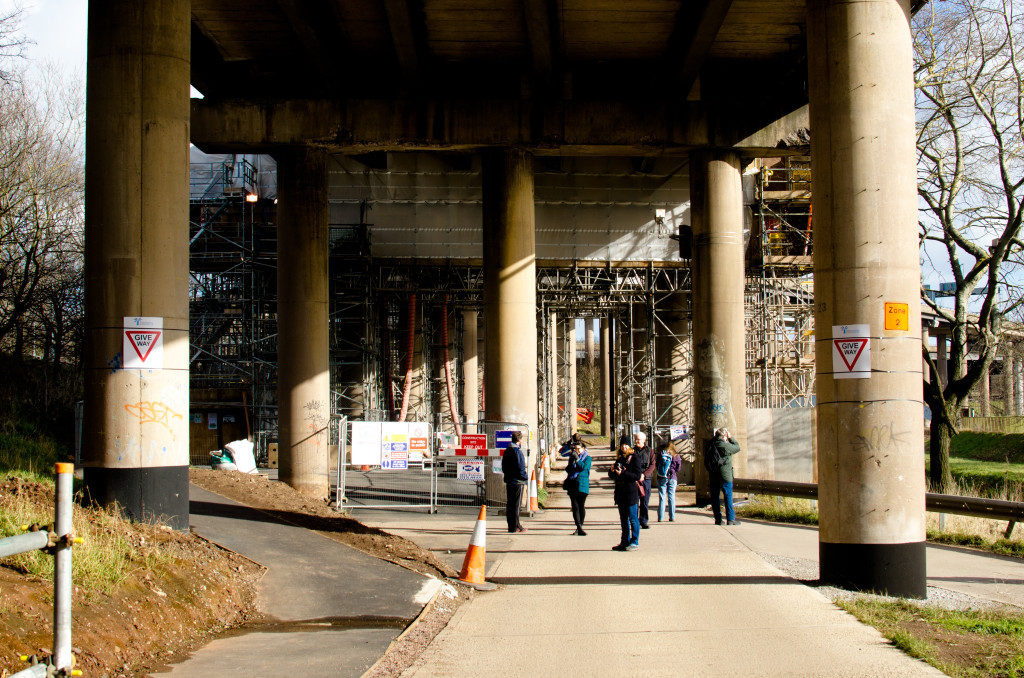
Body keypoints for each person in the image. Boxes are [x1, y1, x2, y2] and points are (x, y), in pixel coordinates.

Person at [609, 435, 642, 551]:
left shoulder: (635, 458)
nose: (624, 447)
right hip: (620, 493)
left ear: (629, 446)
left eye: (626, 445)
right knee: (623, 519)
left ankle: (634, 541)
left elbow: (637, 476)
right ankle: (624, 541)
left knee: (633, 518)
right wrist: (612, 471)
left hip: (630, 492)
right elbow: (612, 476)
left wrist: (623, 473)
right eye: (622, 445)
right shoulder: (620, 459)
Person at [706, 427, 741, 526]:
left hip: (713, 474)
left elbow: (706, 459)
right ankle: (730, 519)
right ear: (724, 436)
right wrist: (731, 438)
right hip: (725, 475)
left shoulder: (710, 444)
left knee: (715, 497)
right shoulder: (725, 446)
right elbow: (737, 447)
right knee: (728, 496)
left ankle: (718, 519)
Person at [559, 437, 591, 535]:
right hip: (572, 483)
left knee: (581, 505)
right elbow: (568, 469)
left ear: (583, 449)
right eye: (575, 449)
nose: (577, 451)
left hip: (582, 484)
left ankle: (580, 526)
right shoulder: (572, 457)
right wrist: (572, 462)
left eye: (579, 449)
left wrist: (577, 460)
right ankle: (578, 526)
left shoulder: (588, 458)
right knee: (575, 506)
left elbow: (584, 468)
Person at [502, 430, 528, 533]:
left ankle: (511, 526)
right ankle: (516, 526)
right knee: (516, 505)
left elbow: (503, 466)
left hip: (509, 480)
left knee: (510, 504)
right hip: (518, 481)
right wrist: (525, 477)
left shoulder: (507, 451)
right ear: (520, 440)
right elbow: (521, 467)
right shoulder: (518, 452)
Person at [656, 441, 682, 522]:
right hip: (672, 477)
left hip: (662, 477)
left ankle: (660, 517)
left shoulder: (661, 454)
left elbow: (657, 464)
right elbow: (678, 468)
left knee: (662, 497)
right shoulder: (676, 456)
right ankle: (672, 516)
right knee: (671, 497)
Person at [633, 431, 654, 528]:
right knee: (635, 501)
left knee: (645, 501)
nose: (637, 441)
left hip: (646, 479)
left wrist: (644, 475)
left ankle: (644, 520)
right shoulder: (632, 451)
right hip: (635, 479)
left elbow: (652, 465)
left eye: (639, 439)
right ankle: (634, 521)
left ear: (644, 440)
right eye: (636, 439)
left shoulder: (649, 451)